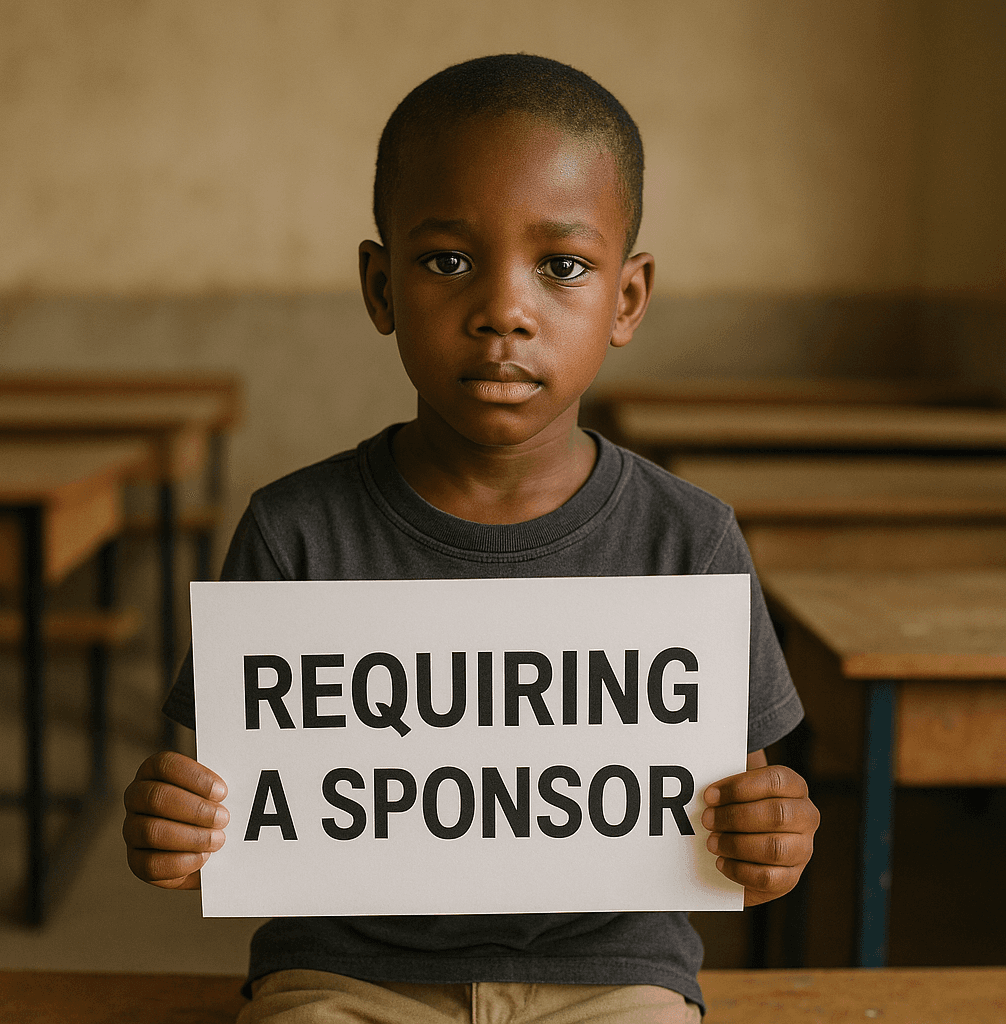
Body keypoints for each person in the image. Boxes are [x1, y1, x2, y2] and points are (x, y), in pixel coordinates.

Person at [123, 54, 819, 1023]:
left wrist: (773, 839)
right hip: (343, 973)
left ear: (626, 298)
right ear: (379, 287)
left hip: (614, 977)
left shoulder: (688, 541)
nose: (503, 309)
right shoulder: (294, 536)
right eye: (447, 260)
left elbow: (745, 812)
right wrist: (172, 824)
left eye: (562, 266)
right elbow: (224, 804)